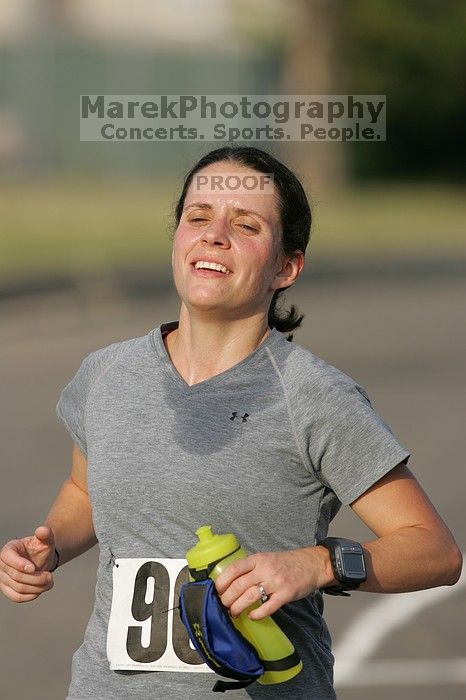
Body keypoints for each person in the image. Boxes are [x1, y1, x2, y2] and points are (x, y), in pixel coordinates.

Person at [0, 145, 462, 699]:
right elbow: (86, 490)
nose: (214, 235)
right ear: (177, 237)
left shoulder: (314, 398)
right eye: (198, 217)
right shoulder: (107, 375)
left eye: (245, 225)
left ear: (286, 266)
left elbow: (434, 552)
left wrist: (315, 565)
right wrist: (45, 550)